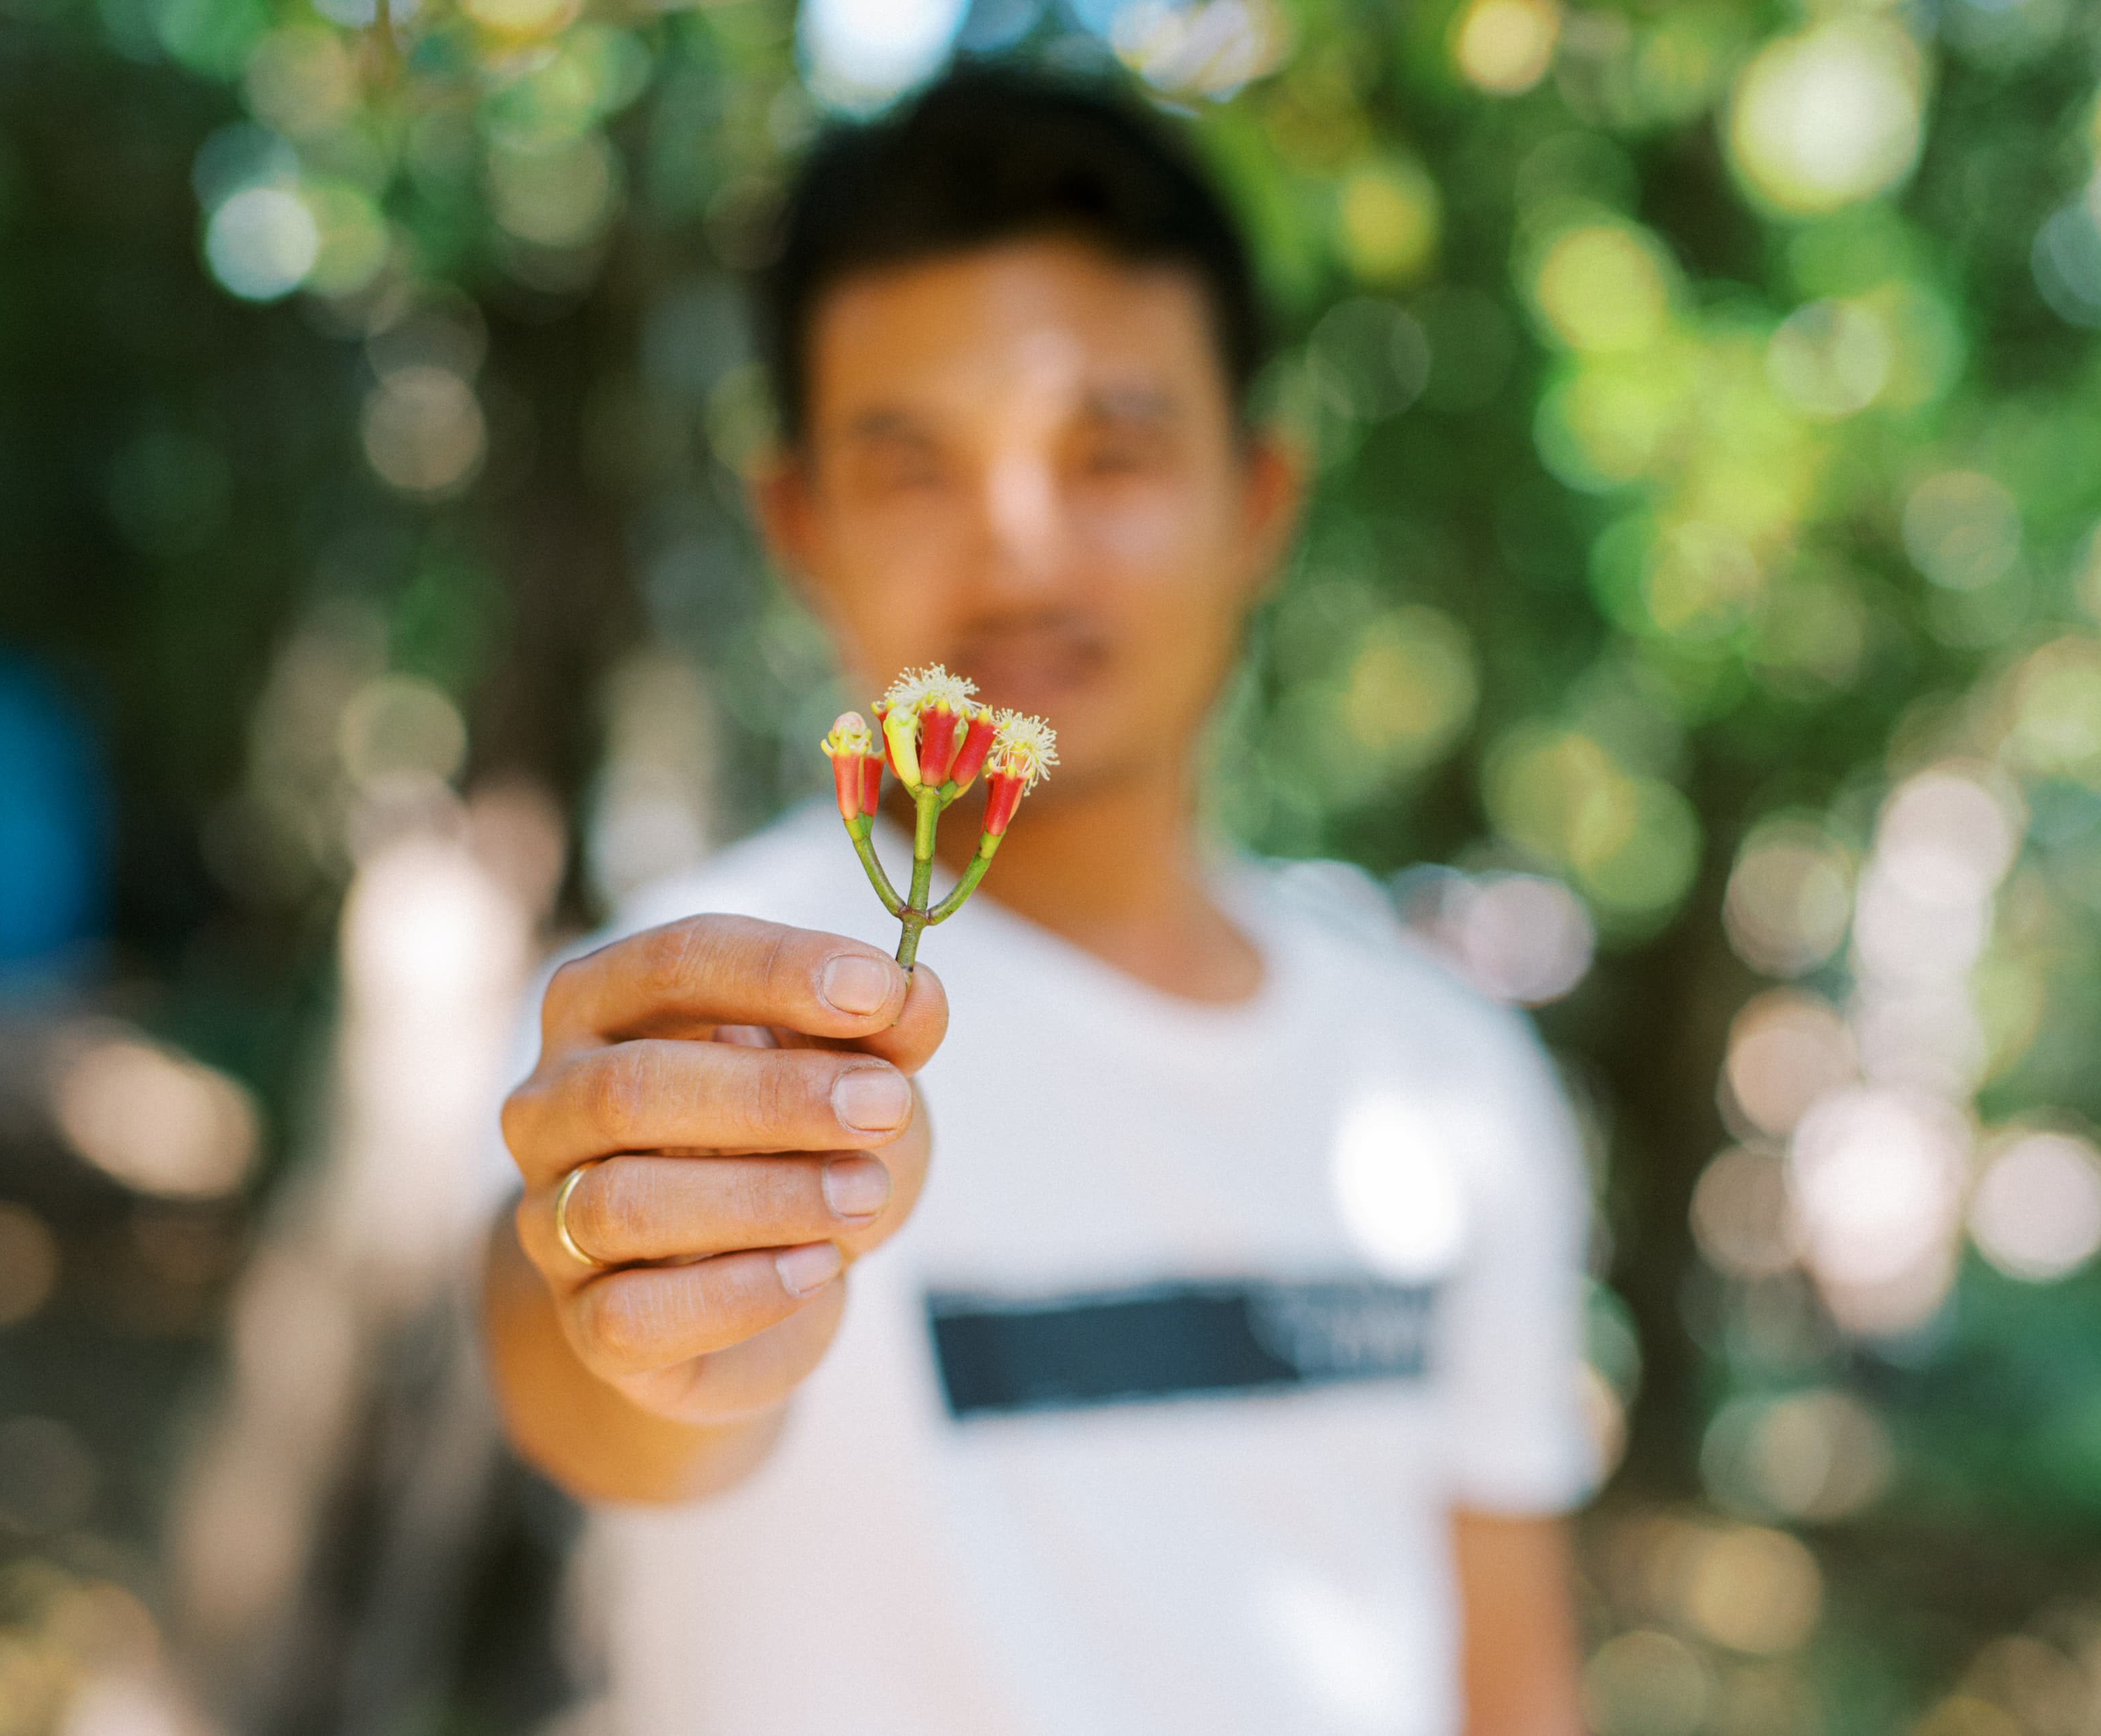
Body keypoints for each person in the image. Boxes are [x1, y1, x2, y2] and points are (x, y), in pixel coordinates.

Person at [480, 62, 1596, 1736]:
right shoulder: (704, 1000)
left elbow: (1511, 1684)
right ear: (799, 521)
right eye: (915, 464)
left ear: (1260, 499)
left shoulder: (1452, 1085)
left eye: (1112, 453)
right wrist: (637, 1316)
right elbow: (591, 1376)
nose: (1018, 549)